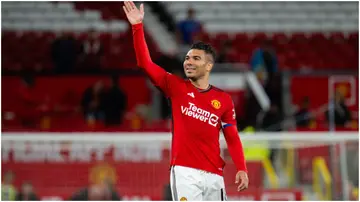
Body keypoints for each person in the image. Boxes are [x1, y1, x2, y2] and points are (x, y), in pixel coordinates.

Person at [123, 2, 249, 201]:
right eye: (187, 58)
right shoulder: (175, 87)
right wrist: (137, 27)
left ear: (208, 66)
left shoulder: (223, 100)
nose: (188, 62)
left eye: (195, 59)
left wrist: (242, 168)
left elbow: (232, 136)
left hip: (215, 175)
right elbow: (145, 63)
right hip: (185, 172)